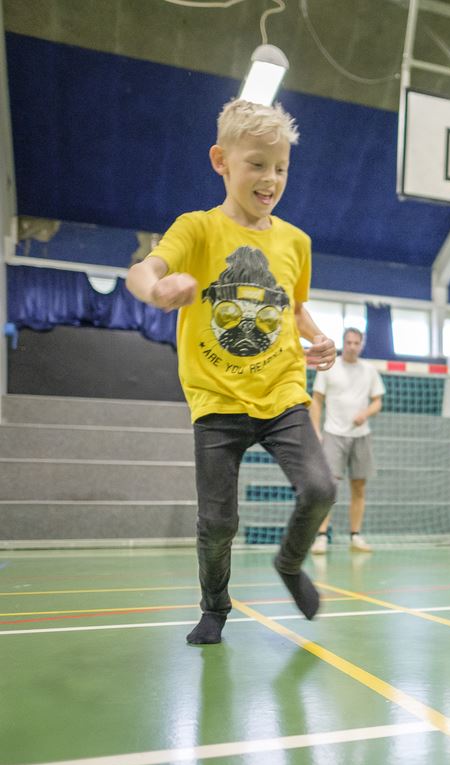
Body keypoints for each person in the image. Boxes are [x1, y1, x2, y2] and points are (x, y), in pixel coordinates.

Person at [126, 99, 338, 645]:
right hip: (216, 400)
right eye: (257, 164)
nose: (271, 179)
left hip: (283, 393)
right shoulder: (197, 229)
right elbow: (142, 270)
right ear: (221, 161)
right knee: (218, 523)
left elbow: (292, 306)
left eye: (281, 167)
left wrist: (317, 337)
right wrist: (157, 288)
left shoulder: (296, 242)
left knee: (320, 488)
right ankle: (215, 609)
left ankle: (289, 563)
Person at [309, 327, 385, 554]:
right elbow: (316, 400)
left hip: (361, 436)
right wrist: (315, 430)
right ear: (344, 343)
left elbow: (377, 401)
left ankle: (355, 536)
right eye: (349, 342)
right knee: (328, 487)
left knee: (359, 486)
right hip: (333, 433)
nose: (352, 346)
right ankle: (322, 536)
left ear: (361, 345)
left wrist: (366, 413)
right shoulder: (329, 367)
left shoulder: (369, 371)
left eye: (356, 343)